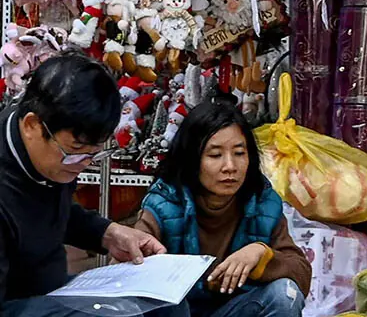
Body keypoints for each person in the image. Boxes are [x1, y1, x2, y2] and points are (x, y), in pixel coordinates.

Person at [1, 54, 167, 314]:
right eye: (75, 150)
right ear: (32, 125)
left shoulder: (49, 154)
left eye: (95, 153)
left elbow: (49, 213)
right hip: (14, 301)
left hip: (50, 286)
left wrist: (108, 233)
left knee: (162, 303)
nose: (82, 163)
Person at [135, 100, 309, 317]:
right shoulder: (165, 202)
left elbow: (300, 272)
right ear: (192, 158)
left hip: (235, 310)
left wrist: (261, 254)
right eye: (215, 155)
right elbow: (130, 272)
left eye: (239, 153)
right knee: (164, 296)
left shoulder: (262, 201)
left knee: (285, 294)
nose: (230, 166)